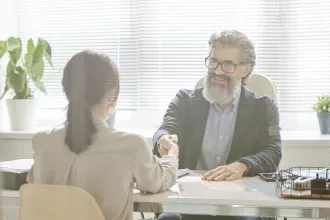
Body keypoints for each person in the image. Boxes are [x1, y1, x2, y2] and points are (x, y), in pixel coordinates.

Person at [27, 50, 179, 220]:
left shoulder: (41, 142)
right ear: (112, 94)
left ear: (67, 91)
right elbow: (158, 182)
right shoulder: (132, 145)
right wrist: (171, 155)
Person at [153, 30, 282, 220]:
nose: (217, 71)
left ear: (245, 70)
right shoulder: (185, 101)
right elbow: (165, 130)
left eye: (228, 64)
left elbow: (273, 152)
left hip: (241, 202)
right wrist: (163, 140)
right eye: (213, 61)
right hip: (190, 201)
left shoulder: (264, 108)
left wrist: (242, 165)